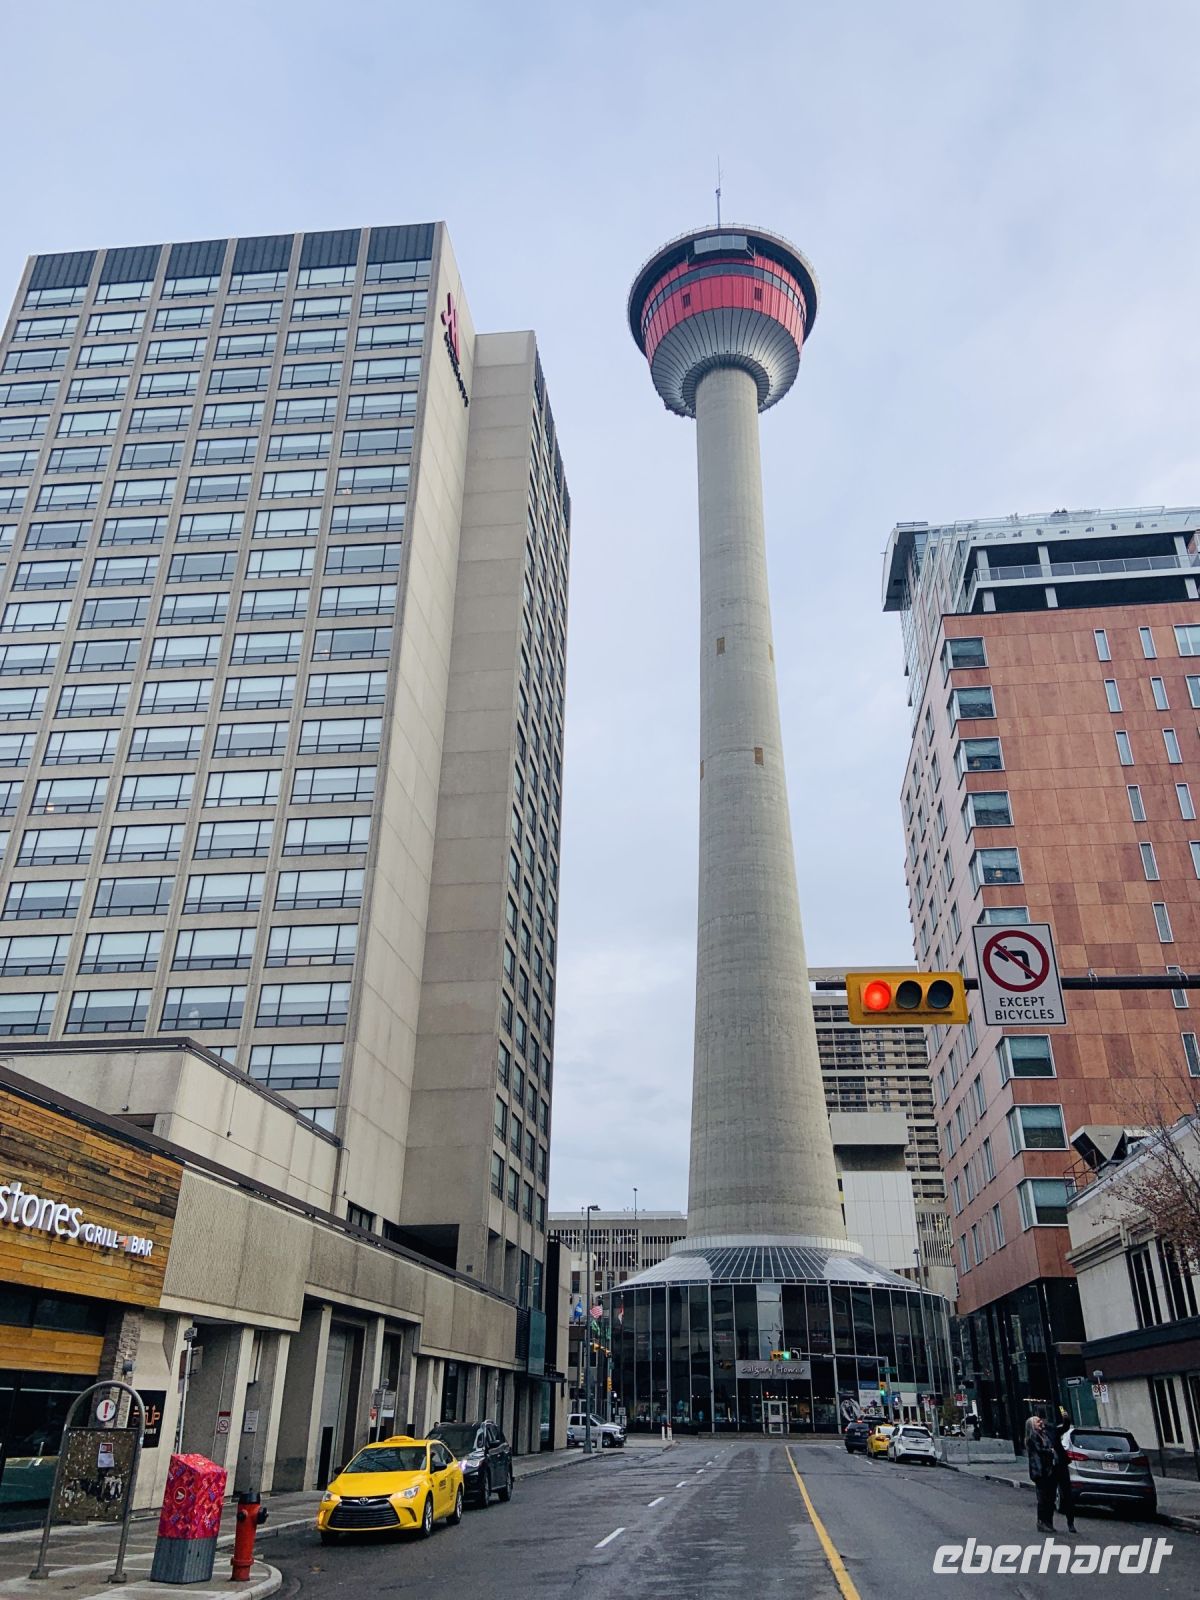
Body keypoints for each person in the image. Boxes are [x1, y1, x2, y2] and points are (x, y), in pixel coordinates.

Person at [1026, 1413, 1058, 1532]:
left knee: (1050, 1498)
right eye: (1037, 1421)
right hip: (1040, 1471)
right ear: (1032, 1425)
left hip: (1049, 1469)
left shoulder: (1044, 1435)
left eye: (1040, 1420)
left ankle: (1049, 1522)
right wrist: (1050, 1451)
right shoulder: (1032, 1437)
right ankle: (1042, 1522)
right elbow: (1039, 1450)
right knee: (1043, 1498)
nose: (1041, 1423)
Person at [1052, 1407, 1077, 1534]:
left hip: (1060, 1464)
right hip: (1049, 1467)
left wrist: (1064, 1414)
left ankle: (1070, 1522)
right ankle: (1047, 1522)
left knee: (1067, 1493)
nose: (1041, 1424)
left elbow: (1065, 1426)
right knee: (1049, 1495)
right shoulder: (1036, 1436)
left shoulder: (1053, 1431)